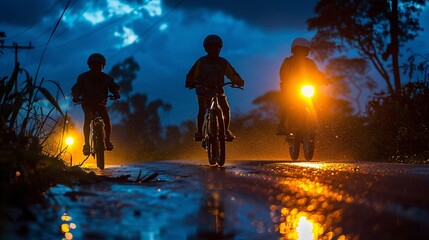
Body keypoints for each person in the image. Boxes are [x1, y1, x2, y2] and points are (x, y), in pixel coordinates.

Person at [186, 34, 245, 142]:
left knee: (226, 109)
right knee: (202, 109)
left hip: (218, 90)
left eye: (216, 47)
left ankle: (226, 131)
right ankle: (199, 132)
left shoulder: (223, 62)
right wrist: (190, 82)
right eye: (211, 47)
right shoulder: (201, 62)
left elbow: (232, 74)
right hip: (202, 90)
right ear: (206, 49)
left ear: (220, 48)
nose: (214, 50)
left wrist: (239, 81)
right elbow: (191, 74)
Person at [277, 37, 329, 135]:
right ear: (293, 50)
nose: (300, 52)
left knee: (317, 102)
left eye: (303, 50)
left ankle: (316, 124)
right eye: (298, 50)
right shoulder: (288, 61)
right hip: (290, 89)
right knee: (287, 104)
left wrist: (325, 79)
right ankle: (282, 125)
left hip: (305, 88)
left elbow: (317, 73)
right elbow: (283, 73)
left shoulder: (310, 63)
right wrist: (287, 80)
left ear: (306, 52)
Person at [71, 53, 120, 155]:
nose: (97, 67)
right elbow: (77, 88)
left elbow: (114, 87)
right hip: (87, 104)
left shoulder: (107, 78)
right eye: (94, 65)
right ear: (90, 66)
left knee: (107, 121)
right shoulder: (83, 77)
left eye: (99, 65)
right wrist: (76, 96)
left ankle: (107, 141)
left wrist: (116, 93)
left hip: (101, 104)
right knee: (88, 119)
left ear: (103, 66)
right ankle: (87, 145)